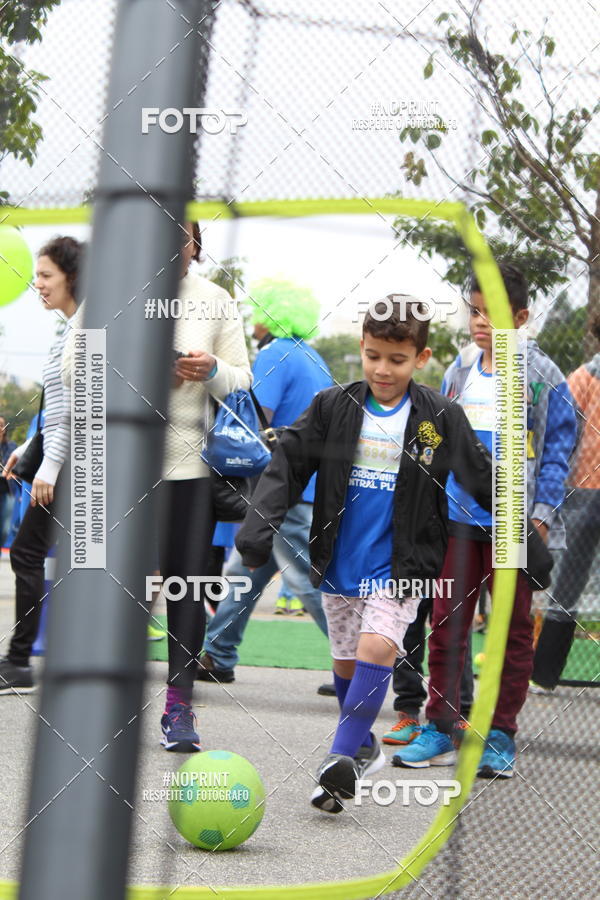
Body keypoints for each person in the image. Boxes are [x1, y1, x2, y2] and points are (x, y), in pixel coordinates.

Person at [235, 296, 507, 813]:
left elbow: (481, 476)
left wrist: (527, 545)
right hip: (341, 560)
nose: (383, 369)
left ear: (421, 358)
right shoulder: (332, 406)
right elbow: (287, 466)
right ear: (362, 347)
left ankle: (339, 758)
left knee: (379, 647)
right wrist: (256, 533)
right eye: (374, 356)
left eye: (397, 360)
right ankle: (362, 746)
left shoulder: (439, 416)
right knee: (346, 660)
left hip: (404, 565)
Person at [393, 264, 578, 778]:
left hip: (513, 526)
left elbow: (558, 453)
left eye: (492, 313)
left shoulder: (544, 376)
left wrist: (540, 518)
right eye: (474, 311)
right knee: (446, 624)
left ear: (521, 317)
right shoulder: (459, 370)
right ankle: (442, 728)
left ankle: (500, 734)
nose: (480, 322)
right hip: (456, 519)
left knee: (511, 631)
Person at [198, 278, 332, 685]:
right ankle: (218, 653)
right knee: (247, 570)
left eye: (257, 313)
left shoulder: (275, 354)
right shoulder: (314, 358)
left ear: (270, 317)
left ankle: (360, 660)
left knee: (306, 579)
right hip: (309, 485)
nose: (252, 321)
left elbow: (255, 419)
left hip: (281, 488)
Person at [0, 236, 84, 693]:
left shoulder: (86, 330)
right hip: (67, 461)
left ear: (72, 276)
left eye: (46, 275)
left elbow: (78, 410)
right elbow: (56, 405)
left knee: (28, 553)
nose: (38, 284)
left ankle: (19, 662)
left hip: (74, 466)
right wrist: (30, 446)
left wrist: (49, 468)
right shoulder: (69, 328)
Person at [532, 313, 600, 688]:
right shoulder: (585, 377)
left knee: (567, 588)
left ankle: (544, 676)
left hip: (583, 490)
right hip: (584, 493)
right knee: (567, 587)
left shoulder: (584, 376)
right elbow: (563, 432)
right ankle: (544, 675)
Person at [0, 416, 17, 548]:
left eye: (1, 425)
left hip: (7, 490)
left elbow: (15, 466)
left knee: (5, 529)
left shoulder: (12, 447)